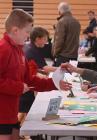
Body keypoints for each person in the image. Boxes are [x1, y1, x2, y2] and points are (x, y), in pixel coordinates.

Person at [0, 9, 72, 140]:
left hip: (11, 112)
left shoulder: (19, 51)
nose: (28, 36)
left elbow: (30, 80)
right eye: (27, 32)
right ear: (15, 30)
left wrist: (54, 83)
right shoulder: (3, 48)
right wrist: (18, 87)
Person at [18, 26, 57, 126]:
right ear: (38, 39)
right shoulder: (32, 50)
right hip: (26, 85)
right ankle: (24, 131)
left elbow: (38, 68)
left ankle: (21, 130)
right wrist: (62, 69)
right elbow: (45, 68)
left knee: (23, 110)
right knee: (26, 110)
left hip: (25, 83)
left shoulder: (30, 47)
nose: (46, 42)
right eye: (44, 39)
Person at [52, 2, 81, 66]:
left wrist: (54, 53)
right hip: (74, 56)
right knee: (71, 75)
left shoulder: (61, 22)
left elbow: (59, 40)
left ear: (60, 11)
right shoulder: (77, 22)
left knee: (60, 76)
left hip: (63, 56)